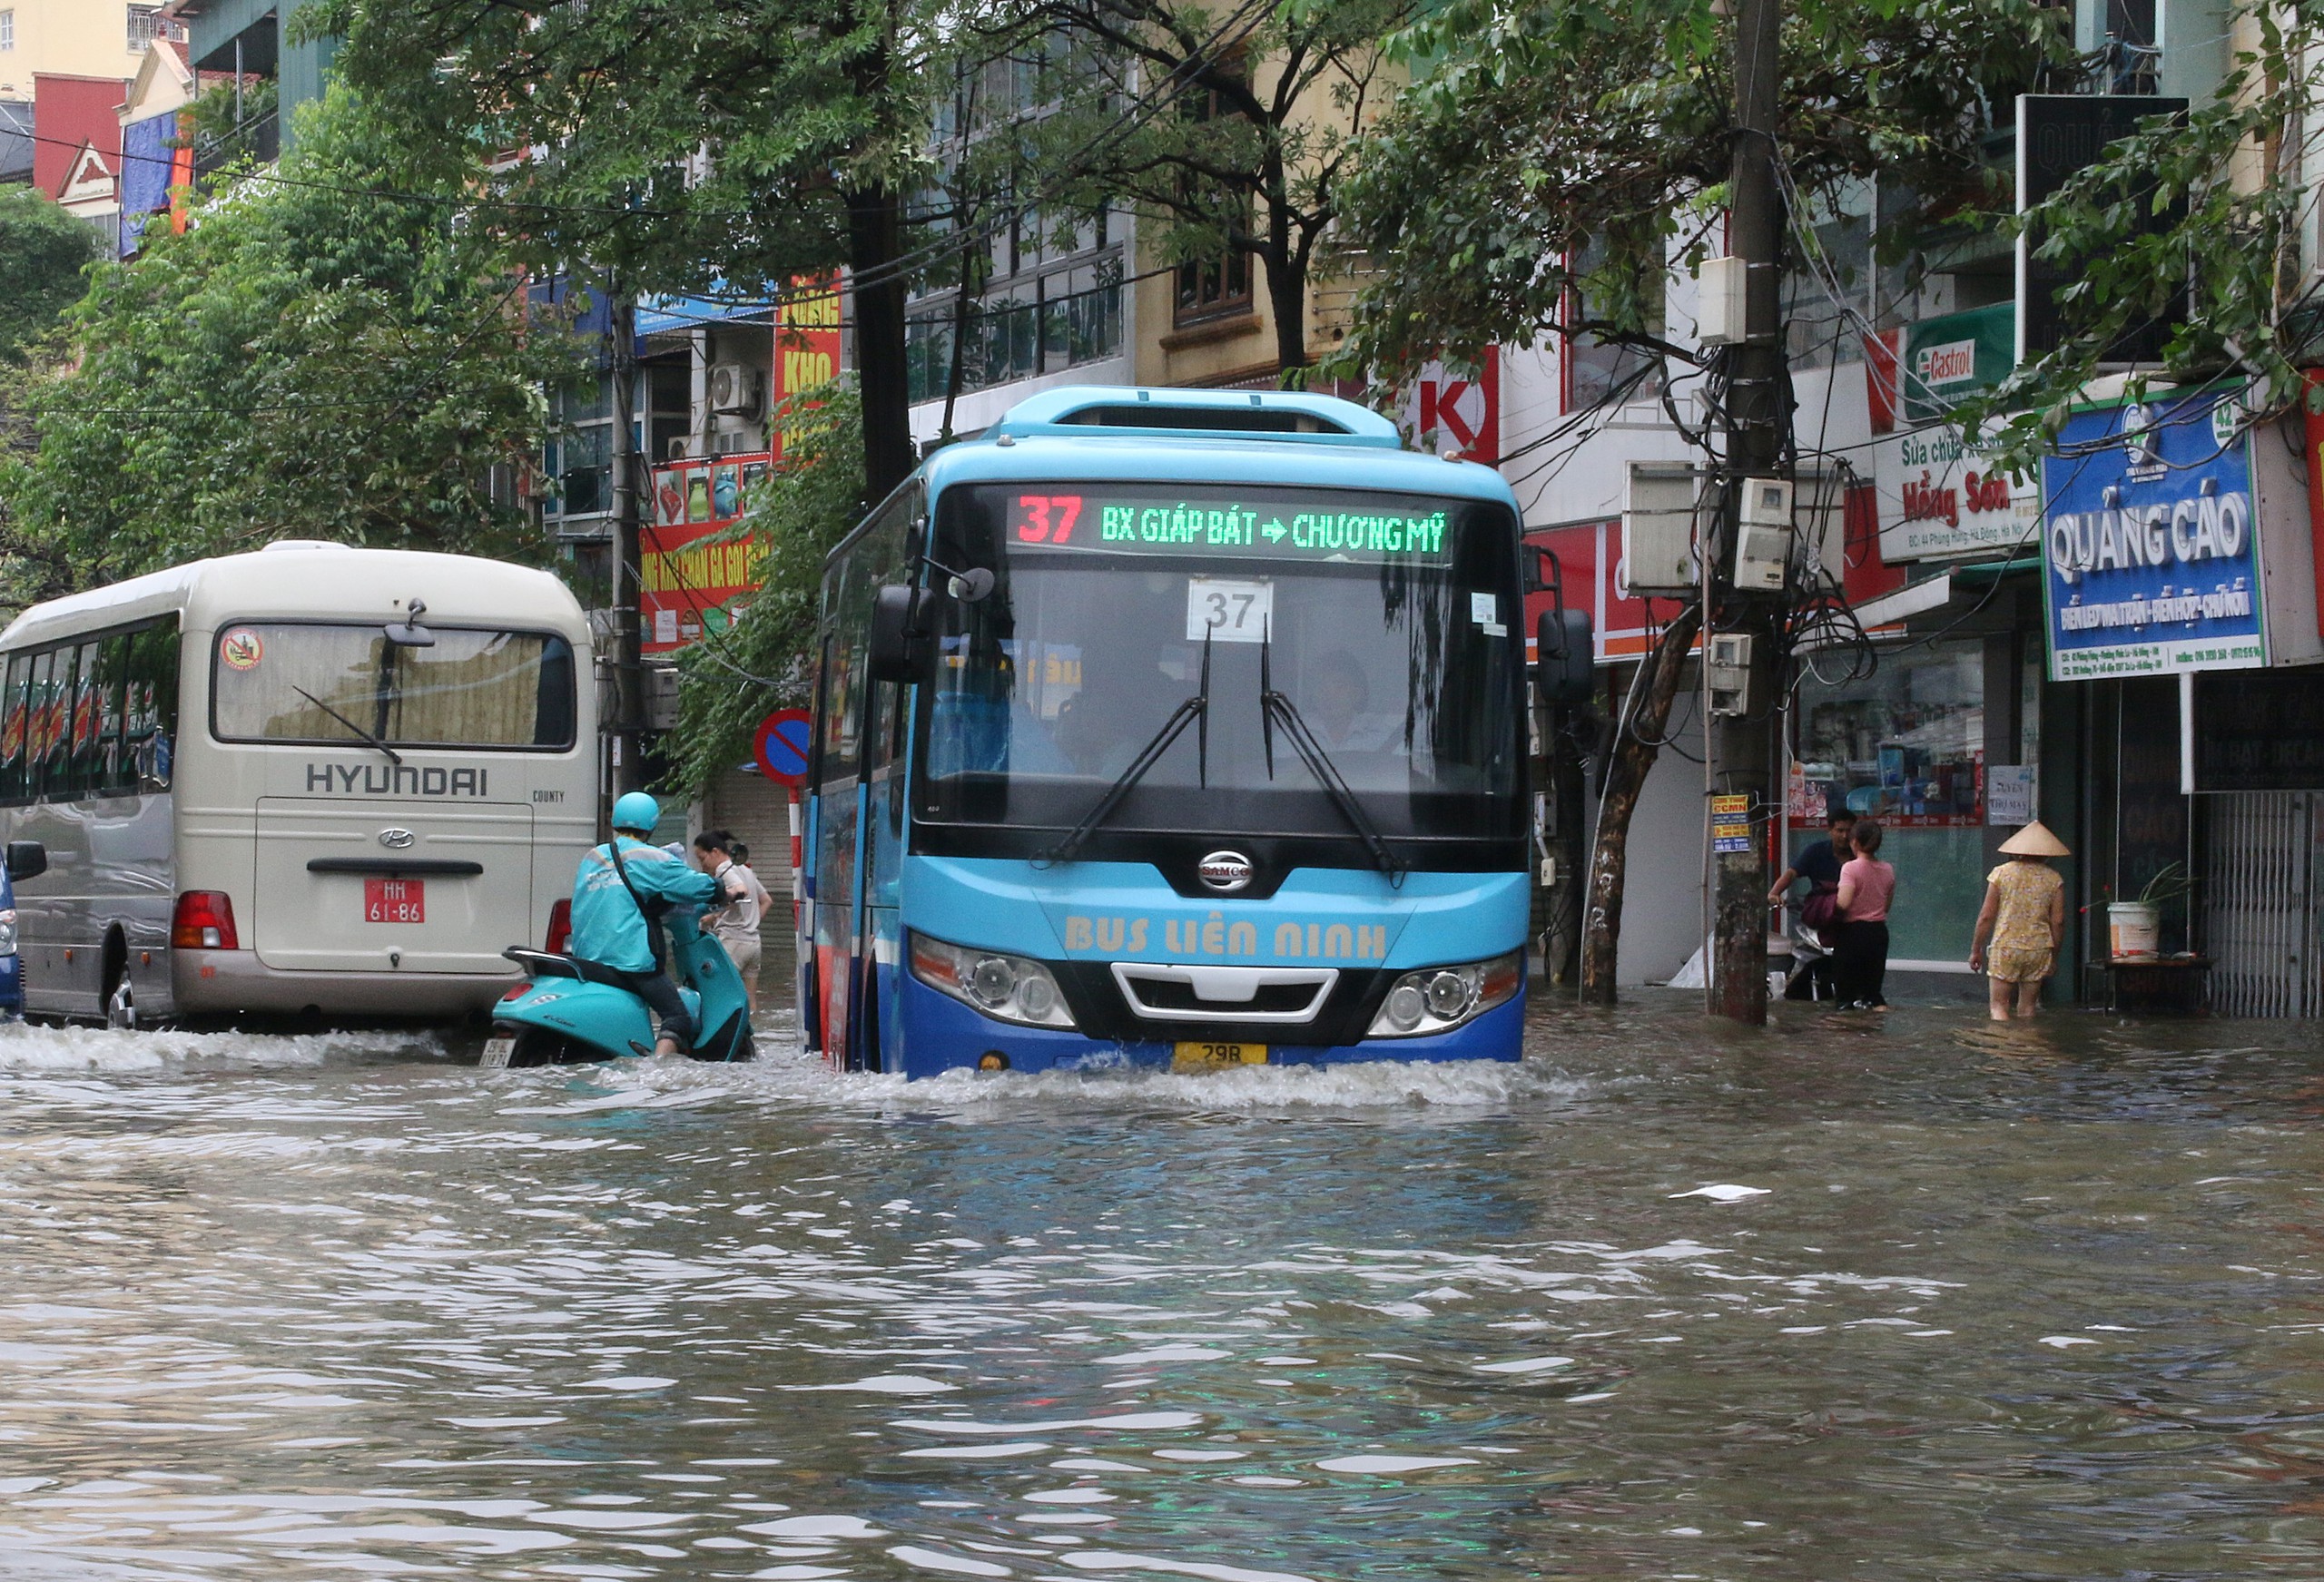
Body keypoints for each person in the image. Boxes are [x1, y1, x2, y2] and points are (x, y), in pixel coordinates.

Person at [569, 791, 719, 1056]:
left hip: (588, 959)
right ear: (651, 824)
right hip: (629, 960)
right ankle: (656, 1072)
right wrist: (722, 890)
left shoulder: (592, 857)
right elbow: (692, 885)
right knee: (677, 1017)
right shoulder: (649, 857)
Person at [1970, 820, 2069, 1021]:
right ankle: (2027, 1048)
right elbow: (2058, 921)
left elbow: (1986, 916)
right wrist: (2054, 957)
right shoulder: (2054, 879)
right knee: (2028, 1009)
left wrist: (1976, 949)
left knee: (1999, 1006)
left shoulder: (2001, 874)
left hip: (2006, 947)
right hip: (2038, 948)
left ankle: (2005, 1050)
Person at [1768, 809, 1857, 1000]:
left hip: (1853, 922)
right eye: (1839, 830)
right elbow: (1792, 873)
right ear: (1830, 831)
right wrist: (1775, 893)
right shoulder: (1816, 852)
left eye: (1849, 831)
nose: (1844, 836)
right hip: (1821, 920)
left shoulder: (1860, 857)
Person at [691, 829, 766, 1013]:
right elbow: (766, 901)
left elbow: (741, 891)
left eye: (702, 858)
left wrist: (717, 910)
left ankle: (718, 1040)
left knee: (715, 993)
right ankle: (749, 1039)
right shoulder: (744, 869)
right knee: (750, 1002)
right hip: (754, 944)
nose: (702, 865)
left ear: (715, 852)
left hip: (733, 941)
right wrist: (749, 922)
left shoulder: (723, 868)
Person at [1832, 817, 1895, 1010]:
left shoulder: (1850, 868)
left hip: (1852, 934)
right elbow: (1886, 906)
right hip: (1878, 934)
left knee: (1845, 997)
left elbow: (1843, 903)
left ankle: (1846, 1036)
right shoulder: (1888, 869)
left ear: (1855, 842)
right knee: (1873, 994)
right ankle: (1878, 1032)